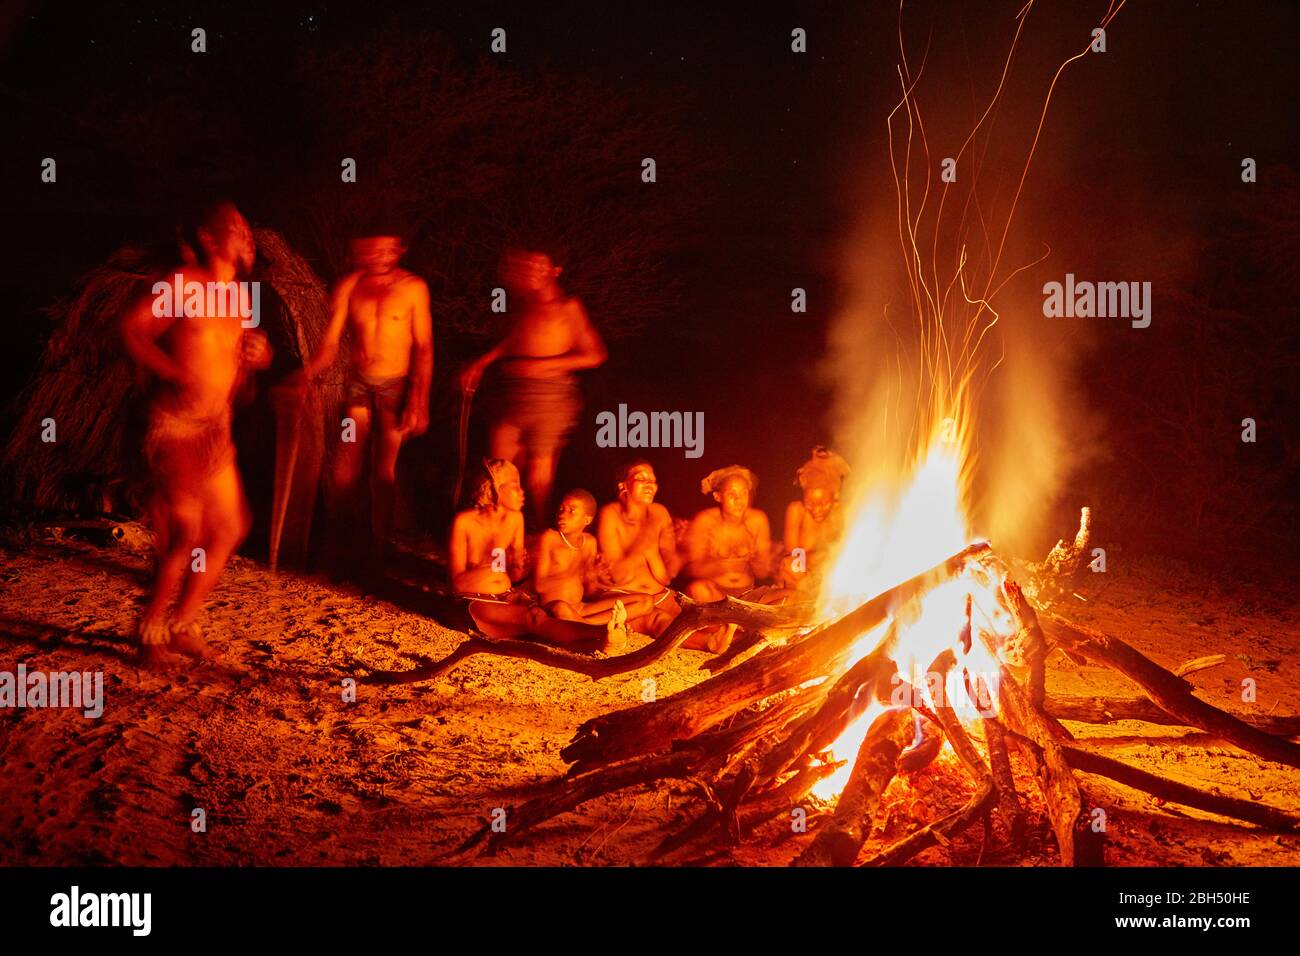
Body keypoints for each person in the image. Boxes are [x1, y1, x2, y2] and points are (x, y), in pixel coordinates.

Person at [121, 200, 271, 664]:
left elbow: (238, 379)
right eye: (237, 228)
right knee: (186, 535)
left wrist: (255, 359)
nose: (247, 237)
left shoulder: (242, 299)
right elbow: (132, 330)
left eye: (249, 230)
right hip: (177, 427)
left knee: (229, 527)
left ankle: (183, 624)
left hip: (215, 430)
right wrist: (175, 373)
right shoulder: (184, 285)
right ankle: (149, 634)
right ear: (209, 238)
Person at [294, 227, 433, 573]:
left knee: (382, 471)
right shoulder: (349, 286)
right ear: (359, 251)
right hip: (357, 385)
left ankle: (378, 549)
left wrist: (419, 398)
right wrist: (307, 374)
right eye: (371, 250)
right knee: (344, 469)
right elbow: (328, 343)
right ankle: (341, 542)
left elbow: (423, 346)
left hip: (394, 388)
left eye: (386, 250)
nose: (379, 257)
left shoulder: (413, 288)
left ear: (399, 249)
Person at [459, 248, 607, 526]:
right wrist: (481, 362)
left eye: (540, 266)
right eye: (527, 266)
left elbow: (595, 354)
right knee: (498, 469)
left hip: (551, 395)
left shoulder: (568, 307)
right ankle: (497, 536)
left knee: (539, 472)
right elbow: (513, 341)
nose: (531, 272)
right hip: (514, 391)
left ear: (555, 271)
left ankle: (538, 534)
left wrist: (541, 366)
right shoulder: (521, 304)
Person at [449, 460, 627, 649]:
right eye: (515, 487)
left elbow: (507, 573)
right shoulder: (464, 522)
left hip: (504, 595)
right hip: (473, 601)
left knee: (541, 617)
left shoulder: (515, 519)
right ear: (494, 490)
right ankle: (600, 633)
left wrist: (522, 566)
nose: (522, 492)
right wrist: (494, 569)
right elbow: (456, 582)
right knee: (533, 618)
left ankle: (599, 643)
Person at [684, 465, 789, 652]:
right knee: (696, 589)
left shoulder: (757, 520)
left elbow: (763, 571)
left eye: (743, 493)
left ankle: (733, 630)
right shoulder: (705, 521)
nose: (738, 499)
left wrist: (761, 561)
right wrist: (728, 565)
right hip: (716, 596)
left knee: (792, 596)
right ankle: (742, 633)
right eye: (731, 493)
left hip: (749, 596)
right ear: (718, 496)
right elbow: (693, 568)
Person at [535, 489, 653, 626]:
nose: (562, 515)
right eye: (561, 509)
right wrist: (578, 572)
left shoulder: (590, 542)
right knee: (560, 608)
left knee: (646, 601)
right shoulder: (549, 538)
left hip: (580, 608)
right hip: (554, 610)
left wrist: (598, 575)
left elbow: (590, 590)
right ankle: (593, 629)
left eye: (571, 511)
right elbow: (538, 586)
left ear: (587, 519)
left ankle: (587, 625)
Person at [595, 460, 681, 637]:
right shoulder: (610, 514)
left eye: (653, 480)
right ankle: (710, 643)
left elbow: (666, 576)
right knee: (660, 621)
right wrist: (647, 538)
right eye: (641, 479)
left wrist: (678, 546)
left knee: (698, 616)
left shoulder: (660, 512)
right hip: (624, 596)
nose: (650, 484)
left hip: (661, 593)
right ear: (623, 486)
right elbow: (618, 575)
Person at [777, 446, 851, 593]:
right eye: (810, 503)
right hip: (802, 579)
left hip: (831, 578)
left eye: (823, 504)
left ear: (834, 497)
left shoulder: (842, 513)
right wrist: (806, 581)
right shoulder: (797, 511)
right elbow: (794, 554)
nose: (816, 510)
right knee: (789, 566)